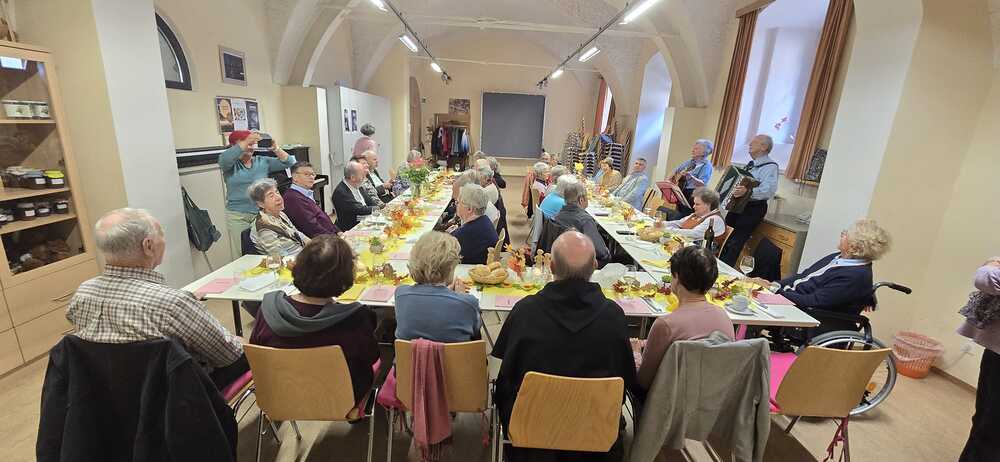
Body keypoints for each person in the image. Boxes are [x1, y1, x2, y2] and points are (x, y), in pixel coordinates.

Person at [491, 231, 639, 460]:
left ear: (551, 266)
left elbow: (506, 375)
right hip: (594, 428)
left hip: (531, 427)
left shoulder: (525, 311)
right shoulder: (614, 316)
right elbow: (627, 379)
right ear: (595, 266)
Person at [67, 208, 246, 389]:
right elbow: (229, 354)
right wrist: (240, 342)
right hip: (176, 396)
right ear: (148, 246)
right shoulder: (172, 304)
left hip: (108, 394)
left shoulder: (83, 293)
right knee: (244, 351)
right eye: (162, 234)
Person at [249, 235, 378, 403]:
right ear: (345, 276)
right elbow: (371, 356)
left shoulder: (269, 308)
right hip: (340, 401)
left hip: (281, 397)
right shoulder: (355, 318)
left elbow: (257, 350)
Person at [636, 246, 735, 389]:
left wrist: (636, 353)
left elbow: (643, 382)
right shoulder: (724, 317)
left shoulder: (666, 325)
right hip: (715, 398)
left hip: (669, 399)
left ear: (677, 278)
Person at [750, 219, 890, 316]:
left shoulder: (854, 276)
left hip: (803, 311)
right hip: (789, 297)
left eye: (846, 234)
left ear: (854, 246)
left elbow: (813, 301)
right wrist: (774, 285)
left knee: (748, 306)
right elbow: (803, 276)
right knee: (746, 293)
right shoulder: (838, 257)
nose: (842, 234)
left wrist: (775, 291)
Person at [218, 130, 296, 259]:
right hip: (238, 216)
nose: (250, 147)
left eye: (252, 144)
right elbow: (224, 159)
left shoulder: (262, 161)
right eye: (245, 143)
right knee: (246, 254)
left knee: (267, 251)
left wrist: (275, 148)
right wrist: (248, 140)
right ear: (233, 146)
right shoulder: (229, 165)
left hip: (261, 213)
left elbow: (290, 162)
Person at [395, 232, 481, 342]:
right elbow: (476, 329)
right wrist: (461, 296)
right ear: (450, 267)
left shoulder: (401, 294)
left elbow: (429, 305)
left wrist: (447, 293)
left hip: (410, 353)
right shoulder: (467, 302)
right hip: (456, 353)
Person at [958, 257, 1000, 461]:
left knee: (990, 425)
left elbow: (986, 278)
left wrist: (992, 264)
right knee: (984, 418)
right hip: (995, 352)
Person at [720, 134, 779, 266]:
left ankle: (724, 270)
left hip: (753, 208)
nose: (750, 144)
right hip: (737, 206)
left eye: (755, 142)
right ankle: (715, 265)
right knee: (725, 237)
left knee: (735, 243)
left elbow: (768, 191)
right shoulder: (751, 165)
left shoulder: (770, 166)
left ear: (764, 147)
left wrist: (748, 192)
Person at [248, 178, 310, 256]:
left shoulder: (280, 214)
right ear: (260, 204)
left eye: (277, 192)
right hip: (291, 260)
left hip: (302, 254)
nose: (278, 197)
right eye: (271, 196)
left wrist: (313, 245)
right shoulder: (263, 227)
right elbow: (280, 256)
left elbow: (296, 233)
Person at [553, 181, 610, 263]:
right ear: (581, 200)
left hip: (563, 258)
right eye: (587, 197)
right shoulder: (585, 220)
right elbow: (601, 252)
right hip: (582, 263)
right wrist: (607, 252)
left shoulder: (558, 215)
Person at [282, 161, 340, 238]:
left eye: (313, 174)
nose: (312, 177)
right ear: (295, 177)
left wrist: (338, 231)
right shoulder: (293, 198)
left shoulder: (305, 193)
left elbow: (323, 218)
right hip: (322, 241)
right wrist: (336, 239)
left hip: (330, 235)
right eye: (306, 174)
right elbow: (312, 228)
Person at [450, 183, 500, 264]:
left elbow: (442, 254)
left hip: (471, 269)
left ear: (469, 209)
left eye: (458, 202)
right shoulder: (484, 220)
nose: (456, 205)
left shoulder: (466, 233)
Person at [669, 139, 715, 217]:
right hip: (681, 191)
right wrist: (670, 181)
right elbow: (675, 171)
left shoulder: (706, 166)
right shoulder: (689, 162)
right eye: (694, 148)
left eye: (696, 148)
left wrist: (691, 177)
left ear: (704, 152)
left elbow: (702, 184)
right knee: (677, 215)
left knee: (685, 216)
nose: (693, 150)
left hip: (693, 195)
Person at [333, 161, 380, 231]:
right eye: (362, 175)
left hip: (363, 218)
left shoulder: (357, 184)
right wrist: (377, 208)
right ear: (353, 177)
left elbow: (369, 201)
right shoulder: (341, 192)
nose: (364, 177)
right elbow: (358, 210)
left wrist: (377, 208)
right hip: (353, 225)